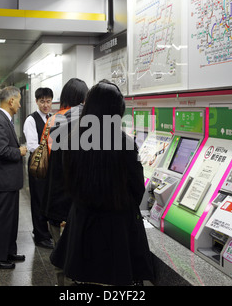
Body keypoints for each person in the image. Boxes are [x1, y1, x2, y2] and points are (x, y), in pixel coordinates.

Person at [50, 81, 154, 286]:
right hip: (117, 230)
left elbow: (67, 181)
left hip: (81, 224)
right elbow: (137, 190)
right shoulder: (125, 143)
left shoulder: (71, 140)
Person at [40, 78, 88, 285]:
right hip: (74, 203)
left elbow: (50, 154)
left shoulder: (53, 121)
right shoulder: (88, 124)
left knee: (61, 257)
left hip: (55, 196)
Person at [0, 86, 27, 269]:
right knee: (3, 220)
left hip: (8, 180)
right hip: (3, 181)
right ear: (11, 101)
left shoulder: (3, 119)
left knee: (11, 219)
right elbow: (2, 150)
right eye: (18, 100)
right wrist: (20, 151)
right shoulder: (0, 120)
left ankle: (9, 251)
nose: (19, 104)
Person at [23, 87, 54, 249]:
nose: (45, 105)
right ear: (36, 101)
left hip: (50, 164)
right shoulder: (31, 120)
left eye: (48, 101)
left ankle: (46, 232)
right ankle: (40, 235)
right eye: (42, 101)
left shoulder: (53, 118)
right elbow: (33, 146)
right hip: (38, 164)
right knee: (39, 199)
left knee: (48, 198)